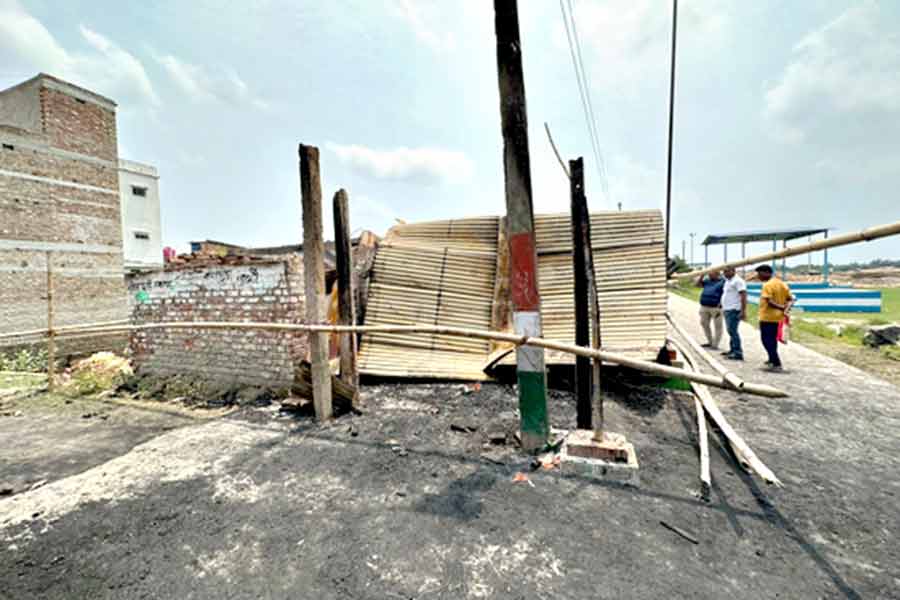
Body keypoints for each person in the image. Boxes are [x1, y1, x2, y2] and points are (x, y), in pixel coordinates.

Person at [755, 264, 794, 372]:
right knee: (772, 340)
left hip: (768, 317)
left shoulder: (767, 285)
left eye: (760, 273)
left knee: (766, 340)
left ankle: (776, 363)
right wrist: (786, 308)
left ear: (766, 273)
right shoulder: (781, 283)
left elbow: (769, 302)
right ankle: (771, 359)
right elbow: (791, 299)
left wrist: (782, 307)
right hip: (778, 318)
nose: (758, 276)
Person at [720, 266, 747, 360]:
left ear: (733, 271)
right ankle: (732, 350)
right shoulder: (728, 281)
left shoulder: (738, 281)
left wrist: (743, 311)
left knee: (733, 331)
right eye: (724, 272)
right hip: (727, 309)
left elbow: (743, 296)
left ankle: (738, 352)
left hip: (734, 309)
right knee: (730, 330)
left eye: (727, 271)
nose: (725, 273)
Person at [696, 270, 725, 349]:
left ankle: (715, 345)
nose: (709, 275)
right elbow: (698, 285)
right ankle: (710, 341)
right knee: (703, 323)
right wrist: (701, 276)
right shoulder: (707, 281)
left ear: (717, 274)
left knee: (718, 326)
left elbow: (727, 293)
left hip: (716, 308)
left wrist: (722, 303)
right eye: (709, 274)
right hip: (704, 306)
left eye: (711, 273)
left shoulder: (722, 282)